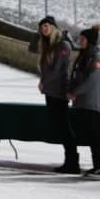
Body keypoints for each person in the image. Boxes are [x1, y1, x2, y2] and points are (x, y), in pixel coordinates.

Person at [36, 15, 78, 173]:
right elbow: (47, 67)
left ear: (53, 27)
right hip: (50, 90)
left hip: (59, 90)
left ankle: (72, 160)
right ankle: (70, 160)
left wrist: (44, 81)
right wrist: (44, 81)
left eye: (46, 26)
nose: (43, 29)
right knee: (60, 126)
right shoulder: (48, 45)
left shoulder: (63, 45)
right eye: (41, 27)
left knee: (64, 126)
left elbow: (59, 69)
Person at [67, 24, 100, 177]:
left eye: (83, 39)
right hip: (82, 102)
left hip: (92, 102)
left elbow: (93, 79)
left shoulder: (97, 56)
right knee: (91, 135)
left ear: (90, 40)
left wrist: (75, 91)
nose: (80, 41)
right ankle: (97, 165)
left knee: (97, 135)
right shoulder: (84, 55)